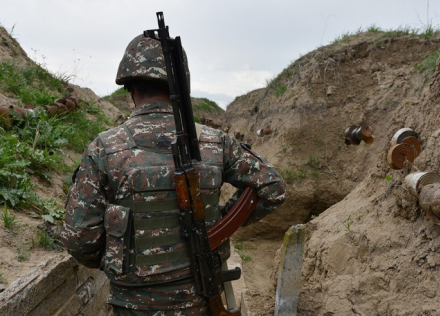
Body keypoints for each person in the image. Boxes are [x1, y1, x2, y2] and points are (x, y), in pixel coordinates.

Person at [62, 33, 286, 315]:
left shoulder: (104, 149)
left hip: (133, 305)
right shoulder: (216, 142)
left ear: (129, 86)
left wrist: (123, 258)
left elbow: (79, 239)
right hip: (200, 301)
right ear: (181, 84)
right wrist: (218, 224)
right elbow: (273, 188)